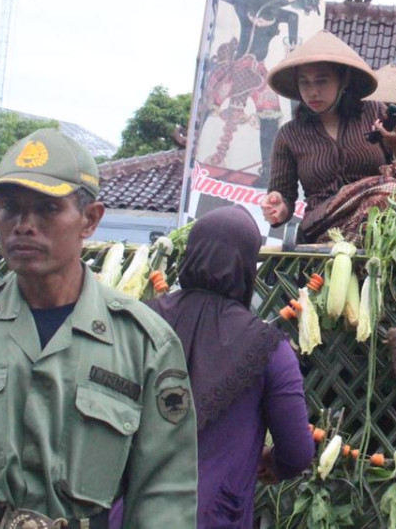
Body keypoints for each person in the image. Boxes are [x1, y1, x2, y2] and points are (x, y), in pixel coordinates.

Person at [0, 128, 197, 528]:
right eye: (9, 207)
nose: (23, 225)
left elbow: (164, 494)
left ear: (90, 219)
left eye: (47, 209)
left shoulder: (143, 344)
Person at [111, 206, 313, 528]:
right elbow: (298, 452)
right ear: (247, 267)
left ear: (190, 254)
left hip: (126, 514)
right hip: (212, 516)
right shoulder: (270, 348)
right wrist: (271, 463)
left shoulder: (140, 321)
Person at [261, 30, 396, 244]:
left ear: (343, 80)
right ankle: (336, 244)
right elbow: (284, 197)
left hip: (378, 220)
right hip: (322, 225)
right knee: (390, 191)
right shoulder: (289, 135)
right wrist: (279, 206)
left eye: (321, 81)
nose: (313, 92)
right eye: (305, 83)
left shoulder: (374, 113)